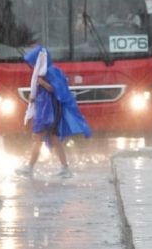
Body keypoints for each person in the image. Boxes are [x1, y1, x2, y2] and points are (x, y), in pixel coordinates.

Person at [15, 45, 93, 179]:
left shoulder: (51, 72)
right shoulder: (42, 73)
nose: (33, 66)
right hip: (45, 111)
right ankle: (64, 168)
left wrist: (42, 83)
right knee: (53, 139)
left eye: (34, 62)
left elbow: (56, 90)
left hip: (50, 112)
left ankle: (30, 167)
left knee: (38, 137)